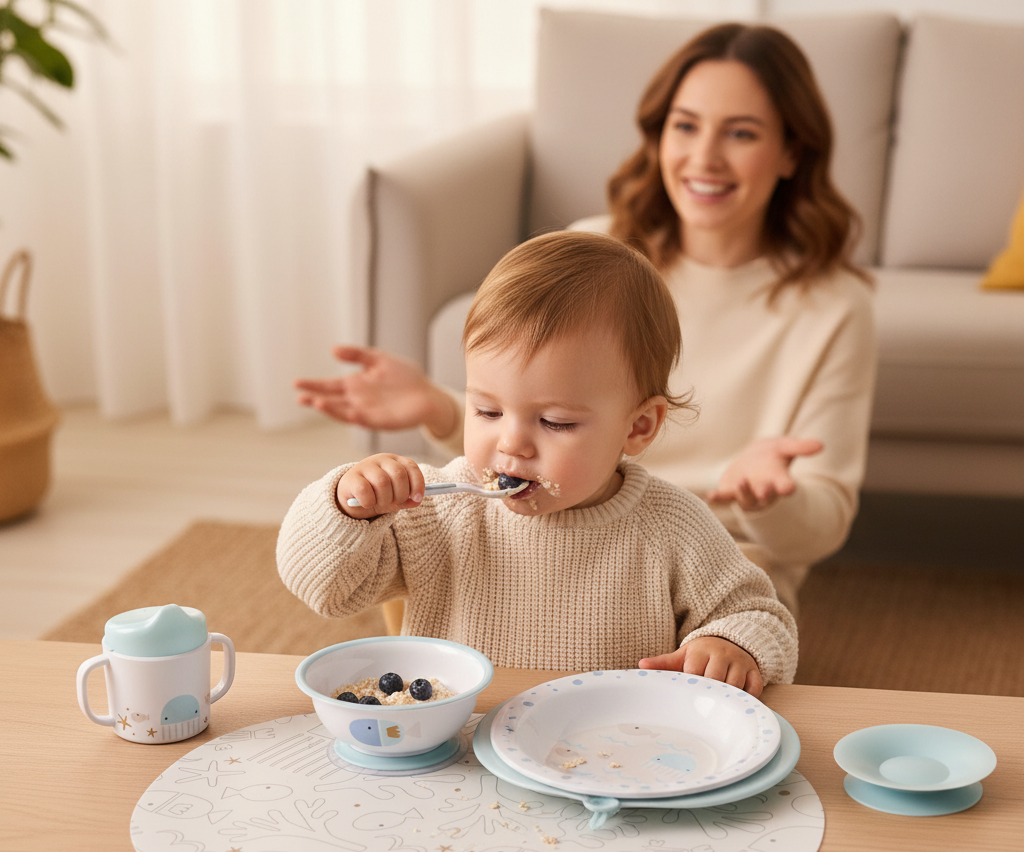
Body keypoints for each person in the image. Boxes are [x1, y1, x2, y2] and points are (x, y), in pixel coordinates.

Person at [293, 23, 876, 612]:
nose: (704, 157)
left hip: (719, 556)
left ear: (791, 152)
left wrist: (767, 497)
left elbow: (822, 526)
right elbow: (536, 423)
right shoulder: (595, 253)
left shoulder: (833, 304)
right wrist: (442, 406)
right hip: (551, 522)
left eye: (742, 133)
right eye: (685, 126)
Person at [278, 233, 797, 694]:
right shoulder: (439, 511)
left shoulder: (671, 524)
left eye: (555, 422)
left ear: (638, 427)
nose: (512, 445)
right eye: (486, 410)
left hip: (609, 752)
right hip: (460, 752)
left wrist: (732, 646)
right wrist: (349, 506)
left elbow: (759, 614)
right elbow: (323, 590)